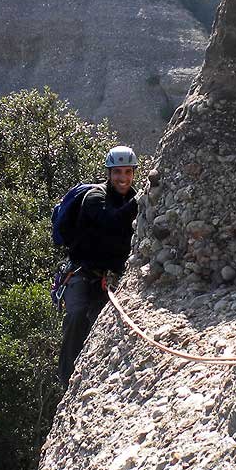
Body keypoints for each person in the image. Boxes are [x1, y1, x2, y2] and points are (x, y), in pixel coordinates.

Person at [58, 145, 141, 389]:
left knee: (101, 325)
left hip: (109, 275)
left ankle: (92, 380)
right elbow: (111, 221)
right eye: (117, 172)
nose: (123, 178)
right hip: (81, 271)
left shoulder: (133, 197)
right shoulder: (94, 197)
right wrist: (140, 199)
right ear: (109, 173)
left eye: (127, 172)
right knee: (76, 316)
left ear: (133, 173)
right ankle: (66, 382)